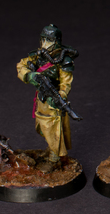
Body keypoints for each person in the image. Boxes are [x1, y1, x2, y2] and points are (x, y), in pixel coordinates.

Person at [17, 24, 78, 173]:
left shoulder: (63, 60)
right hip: (41, 99)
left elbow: (66, 84)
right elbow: (21, 65)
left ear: (56, 41)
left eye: (49, 40)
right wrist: (30, 75)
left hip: (53, 100)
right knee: (42, 128)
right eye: (43, 39)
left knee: (54, 130)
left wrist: (60, 97)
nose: (45, 43)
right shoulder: (38, 55)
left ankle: (54, 160)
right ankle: (51, 150)